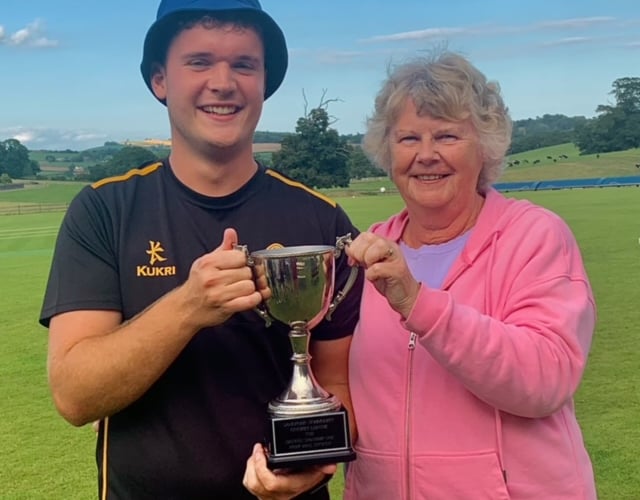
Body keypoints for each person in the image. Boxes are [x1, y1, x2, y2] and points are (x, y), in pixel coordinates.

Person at [39, 0, 362, 498]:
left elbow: (338, 387)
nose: (223, 81)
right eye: (199, 61)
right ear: (159, 80)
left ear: (263, 82)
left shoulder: (321, 220)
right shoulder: (104, 210)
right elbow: (75, 396)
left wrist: (309, 469)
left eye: (243, 64)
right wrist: (188, 307)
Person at [342, 50, 597, 499]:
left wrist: (418, 304)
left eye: (446, 136)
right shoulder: (369, 250)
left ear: (486, 145)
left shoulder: (533, 236)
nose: (426, 155)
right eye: (407, 139)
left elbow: (544, 379)